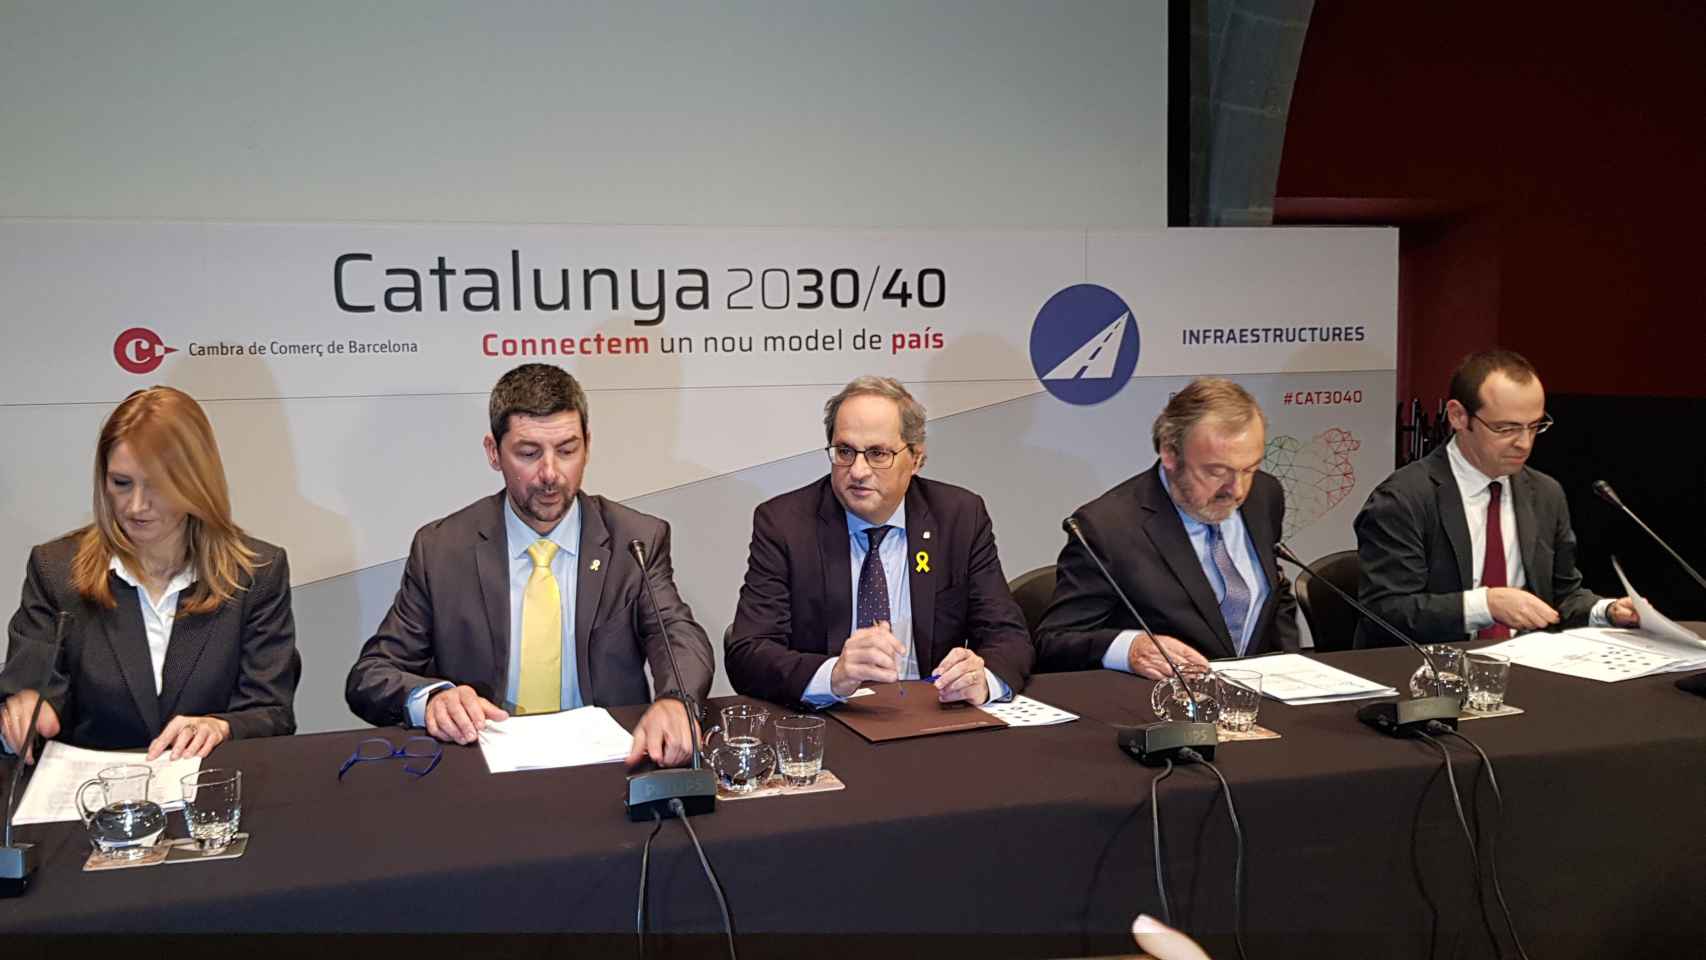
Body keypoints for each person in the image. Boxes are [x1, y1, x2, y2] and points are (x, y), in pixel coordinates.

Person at [345, 363, 712, 767]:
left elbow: (676, 634)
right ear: (493, 452)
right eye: (528, 453)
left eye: (567, 450)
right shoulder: (442, 549)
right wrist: (431, 699)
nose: (550, 474)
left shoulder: (634, 540)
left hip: (606, 767)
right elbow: (371, 674)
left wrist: (678, 701)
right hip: (485, 771)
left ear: (587, 445)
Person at [0, 387, 299, 762]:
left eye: (157, 484)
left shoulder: (256, 573)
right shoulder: (56, 570)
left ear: (196, 482)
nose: (135, 505)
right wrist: (25, 709)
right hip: (92, 803)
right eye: (121, 483)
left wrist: (221, 726)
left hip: (210, 793)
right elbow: (31, 689)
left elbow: (272, 712)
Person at [724, 376, 1032, 707]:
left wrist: (980, 679)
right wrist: (834, 675)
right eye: (844, 451)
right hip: (831, 718)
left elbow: (1008, 636)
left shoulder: (958, 517)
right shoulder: (785, 523)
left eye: (877, 454)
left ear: (916, 459)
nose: (857, 470)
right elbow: (749, 651)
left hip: (933, 714)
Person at [1353, 349, 1637, 647]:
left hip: (1527, 666)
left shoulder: (1544, 493)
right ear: (1459, 417)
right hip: (1431, 671)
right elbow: (1385, 612)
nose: (1524, 443)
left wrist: (1607, 611)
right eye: (1506, 428)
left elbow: (1561, 596)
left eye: (1535, 426)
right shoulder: (1403, 499)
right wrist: (1486, 604)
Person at [1035, 377, 1298, 678]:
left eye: (1250, 469)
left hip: (1260, 703)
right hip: (1162, 709)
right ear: (1170, 454)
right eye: (1216, 471)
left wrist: (1291, 667)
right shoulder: (1107, 528)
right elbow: (1053, 642)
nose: (1237, 490)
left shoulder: (1265, 495)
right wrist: (1130, 648)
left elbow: (1275, 597)